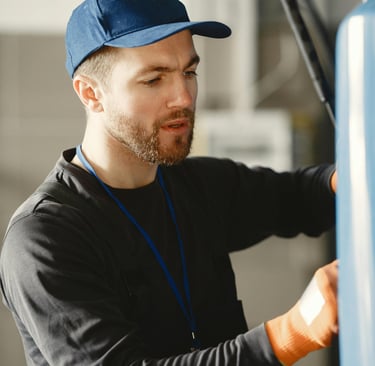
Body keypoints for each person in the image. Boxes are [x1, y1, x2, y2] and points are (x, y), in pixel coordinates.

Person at [0, 0, 338, 365]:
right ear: (91, 93)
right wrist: (292, 333)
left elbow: (303, 196)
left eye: (189, 72)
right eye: (154, 79)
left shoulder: (195, 186)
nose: (184, 98)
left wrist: (351, 178)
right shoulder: (43, 238)